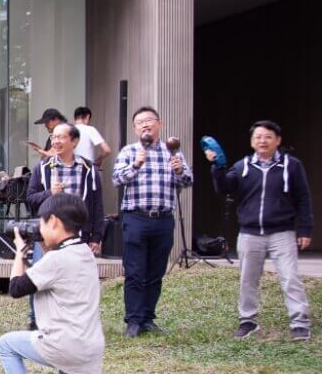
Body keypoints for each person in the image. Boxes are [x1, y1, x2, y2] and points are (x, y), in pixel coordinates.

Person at [1, 193, 166, 374]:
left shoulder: (55, 260)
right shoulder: (84, 252)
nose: (39, 229)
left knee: (6, 344)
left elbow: (16, 287)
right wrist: (43, 244)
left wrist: (19, 253)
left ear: (54, 221)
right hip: (88, 346)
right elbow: (54, 272)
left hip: (63, 344)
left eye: (41, 223)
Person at [206, 120, 313, 341]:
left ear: (278, 140)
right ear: (252, 141)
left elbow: (303, 198)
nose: (262, 141)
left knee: (290, 278)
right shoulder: (242, 166)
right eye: (258, 137)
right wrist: (216, 167)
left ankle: (300, 324)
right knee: (248, 279)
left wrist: (305, 229)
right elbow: (224, 188)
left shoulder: (292, 165)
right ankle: (248, 321)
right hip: (249, 233)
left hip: (282, 232)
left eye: (267, 137)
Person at [111, 106, 191, 338]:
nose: (145, 125)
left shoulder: (172, 152)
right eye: (140, 122)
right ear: (135, 129)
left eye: (149, 120)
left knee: (156, 272)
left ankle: (147, 318)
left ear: (160, 124)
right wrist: (136, 165)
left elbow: (187, 181)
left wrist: (179, 172)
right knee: (135, 272)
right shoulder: (129, 151)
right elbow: (116, 179)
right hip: (136, 217)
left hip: (163, 219)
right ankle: (133, 321)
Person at [24, 123, 107, 329]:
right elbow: (30, 198)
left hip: (77, 234)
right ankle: (36, 320)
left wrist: (96, 236)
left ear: (74, 141)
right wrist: (49, 193)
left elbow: (97, 205)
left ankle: (70, 319)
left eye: (61, 137)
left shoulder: (88, 169)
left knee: (75, 279)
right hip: (48, 234)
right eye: (54, 137)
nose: (56, 141)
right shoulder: (43, 168)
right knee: (40, 275)